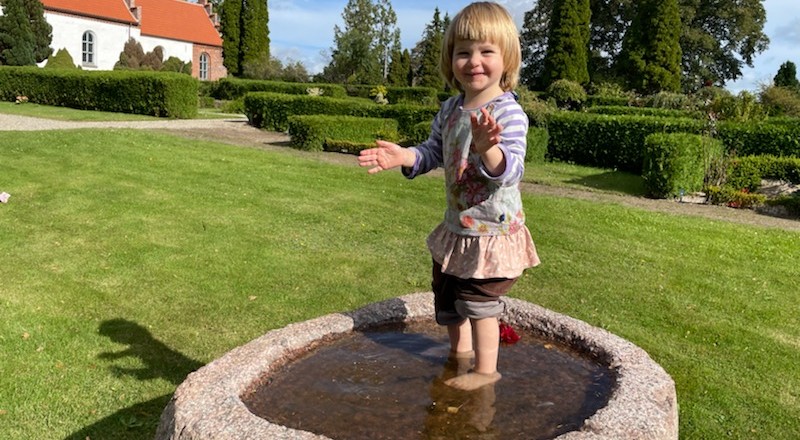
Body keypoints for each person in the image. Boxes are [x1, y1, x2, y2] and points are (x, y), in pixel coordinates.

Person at [358, 1, 539, 391]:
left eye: (486, 51)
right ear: (450, 60)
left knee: (479, 301)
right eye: (463, 51)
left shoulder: (508, 114)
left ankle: (487, 370)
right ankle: (459, 355)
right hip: (457, 228)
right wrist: (405, 156)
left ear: (506, 58)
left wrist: (489, 147)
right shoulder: (451, 109)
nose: (474, 61)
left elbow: (510, 172)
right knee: (449, 297)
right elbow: (434, 152)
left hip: (491, 233)